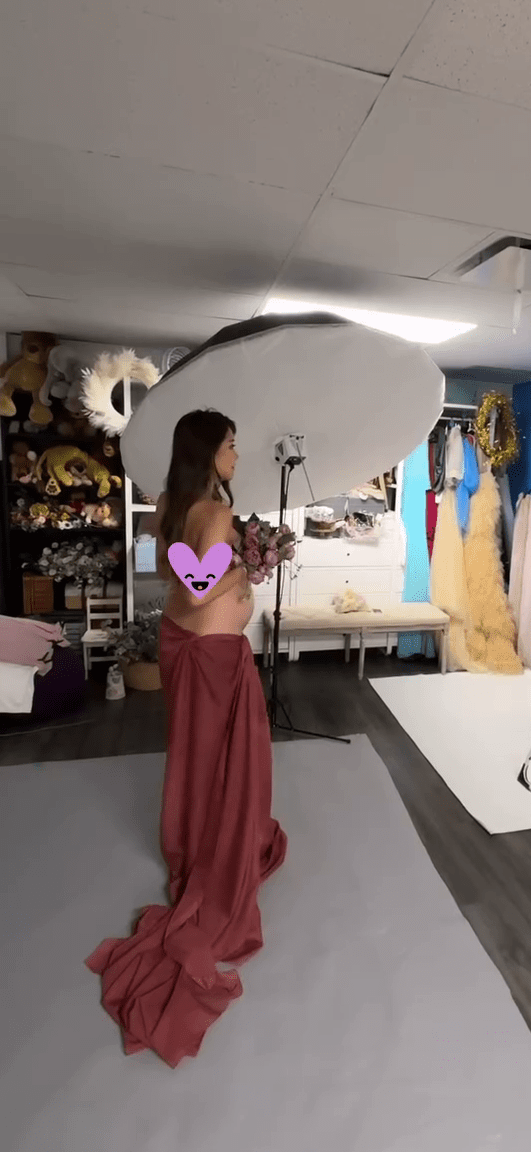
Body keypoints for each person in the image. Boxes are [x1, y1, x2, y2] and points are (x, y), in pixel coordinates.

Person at [85, 409, 287, 1067]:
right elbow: (199, 588)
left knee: (197, 757)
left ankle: (194, 834)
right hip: (209, 652)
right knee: (223, 760)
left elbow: (175, 574)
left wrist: (236, 561)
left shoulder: (169, 504)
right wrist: (245, 568)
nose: (237, 456)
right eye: (231, 446)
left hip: (181, 645)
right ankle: (213, 843)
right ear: (208, 454)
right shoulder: (215, 514)